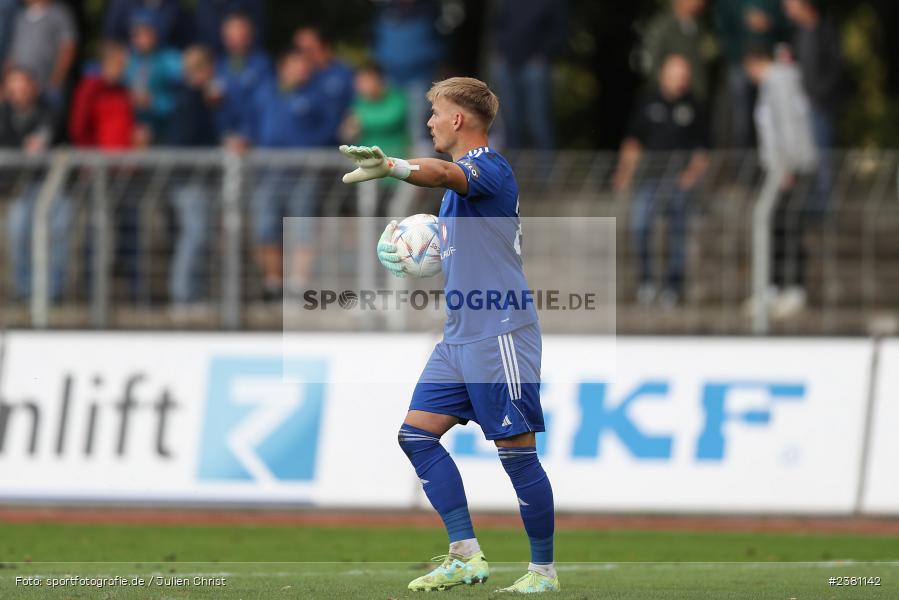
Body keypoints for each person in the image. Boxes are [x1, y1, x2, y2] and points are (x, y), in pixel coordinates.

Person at [339, 77, 558, 593]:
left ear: (459, 119)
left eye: (436, 113)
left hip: (500, 333)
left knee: (516, 453)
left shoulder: (488, 168)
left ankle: (543, 573)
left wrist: (392, 166)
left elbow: (441, 173)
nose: (430, 122)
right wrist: (418, 253)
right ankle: (466, 554)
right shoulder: (466, 186)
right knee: (414, 434)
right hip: (459, 338)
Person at [613, 54, 709, 308]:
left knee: (678, 233)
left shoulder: (695, 105)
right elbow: (634, 142)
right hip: (649, 180)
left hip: (679, 181)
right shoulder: (647, 103)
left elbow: (702, 150)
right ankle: (646, 282)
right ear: (664, 75)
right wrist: (624, 173)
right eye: (676, 75)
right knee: (641, 227)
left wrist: (691, 175)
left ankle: (673, 287)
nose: (680, 81)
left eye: (684, 77)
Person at [242, 49, 330, 299]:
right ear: (284, 66)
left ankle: (298, 285)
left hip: (302, 174)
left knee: (303, 229)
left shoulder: (316, 96)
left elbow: (327, 131)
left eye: (305, 65)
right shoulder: (264, 92)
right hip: (266, 173)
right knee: (266, 228)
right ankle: (273, 284)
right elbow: (249, 125)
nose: (302, 70)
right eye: (296, 64)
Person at [744, 45, 818, 319]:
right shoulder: (777, 80)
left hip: (788, 168)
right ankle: (773, 287)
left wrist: (785, 165)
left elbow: (787, 125)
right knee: (777, 225)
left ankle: (792, 288)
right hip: (781, 168)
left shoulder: (778, 80)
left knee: (788, 226)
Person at [2, 67, 72, 301]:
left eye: (22, 85)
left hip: (51, 184)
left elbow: (51, 135)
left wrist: (39, 143)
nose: (18, 92)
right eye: (13, 86)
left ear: (33, 87)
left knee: (57, 233)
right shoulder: (4, 115)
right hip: (19, 187)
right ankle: (25, 292)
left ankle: (52, 292)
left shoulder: (50, 109)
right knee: (18, 233)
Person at [164, 45, 221, 308]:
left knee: (200, 235)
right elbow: (184, 139)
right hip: (188, 178)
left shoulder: (195, 99)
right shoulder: (189, 99)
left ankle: (192, 293)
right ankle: (184, 295)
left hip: (201, 177)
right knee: (194, 234)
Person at [782, 0, 845, 218]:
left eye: (789, 4)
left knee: (824, 157)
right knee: (805, 157)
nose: (786, 9)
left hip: (821, 105)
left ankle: (825, 208)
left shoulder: (826, 31)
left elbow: (836, 67)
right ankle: (809, 205)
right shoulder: (795, 34)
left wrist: (818, 95)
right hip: (800, 108)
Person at [489, 0, 567, 150]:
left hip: (535, 66)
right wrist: (500, 54)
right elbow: (499, 25)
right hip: (507, 64)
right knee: (510, 123)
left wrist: (543, 56)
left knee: (538, 122)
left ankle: (546, 171)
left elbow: (560, 30)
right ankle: (513, 171)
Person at [372, 0, 445, 154]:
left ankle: (418, 174)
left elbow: (440, 47)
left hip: (418, 80)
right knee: (390, 129)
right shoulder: (385, 11)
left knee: (417, 132)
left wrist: (418, 59)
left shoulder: (429, 11)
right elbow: (376, 44)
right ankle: (391, 172)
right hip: (390, 79)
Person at [714, 0, 790, 147]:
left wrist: (770, 23)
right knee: (741, 121)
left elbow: (788, 22)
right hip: (740, 64)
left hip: (770, 64)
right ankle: (742, 162)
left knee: (774, 117)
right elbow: (722, 30)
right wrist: (742, 56)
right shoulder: (727, 5)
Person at [215, 11, 272, 153]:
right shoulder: (219, 65)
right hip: (223, 141)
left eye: (238, 32)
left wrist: (247, 135)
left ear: (249, 35)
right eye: (229, 33)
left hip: (251, 143)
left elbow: (263, 105)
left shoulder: (261, 64)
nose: (233, 38)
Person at [124, 9, 183, 143]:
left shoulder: (170, 60)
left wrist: (154, 103)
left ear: (156, 33)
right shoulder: (126, 60)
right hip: (131, 132)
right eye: (135, 34)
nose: (138, 39)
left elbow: (181, 103)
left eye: (144, 33)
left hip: (164, 133)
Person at [5, 0, 77, 107]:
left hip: (46, 87)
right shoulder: (21, 16)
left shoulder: (59, 14)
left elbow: (68, 47)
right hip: (20, 89)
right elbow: (13, 52)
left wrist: (56, 81)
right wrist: (7, 80)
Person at [642, 0, 715, 104]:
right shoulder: (662, 26)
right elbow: (651, 60)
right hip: (668, 99)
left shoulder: (699, 27)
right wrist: (665, 84)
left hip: (695, 97)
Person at [293, 26, 354, 147]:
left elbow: (355, 107)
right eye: (300, 50)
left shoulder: (344, 73)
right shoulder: (298, 78)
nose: (304, 55)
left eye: (309, 49)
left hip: (336, 147)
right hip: (302, 148)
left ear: (324, 45)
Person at [69, 41, 136, 149]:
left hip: (124, 160)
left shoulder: (123, 90)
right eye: (119, 64)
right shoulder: (90, 89)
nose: (123, 70)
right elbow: (78, 128)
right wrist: (92, 157)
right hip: (97, 160)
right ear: (107, 63)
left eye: (124, 66)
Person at [344, 62, 409, 167]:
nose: (359, 86)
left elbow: (391, 120)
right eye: (358, 81)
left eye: (364, 81)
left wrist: (360, 120)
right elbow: (348, 132)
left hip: (396, 162)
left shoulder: (396, 97)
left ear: (377, 79)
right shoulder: (359, 102)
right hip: (368, 164)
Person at [103, 0, 190, 49]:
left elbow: (183, 42)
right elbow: (111, 40)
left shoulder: (175, 6)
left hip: (163, 66)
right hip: (128, 65)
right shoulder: (120, 4)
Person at [194, 0, 265, 53]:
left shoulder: (251, 3)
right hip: (211, 59)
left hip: (246, 56)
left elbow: (259, 31)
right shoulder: (203, 4)